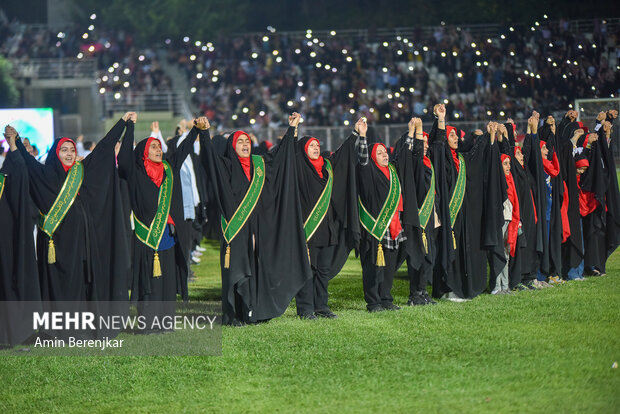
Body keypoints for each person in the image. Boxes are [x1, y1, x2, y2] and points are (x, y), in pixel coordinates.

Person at [200, 113, 312, 326]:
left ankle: (253, 311)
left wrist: (291, 130)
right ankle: (233, 314)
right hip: (236, 228)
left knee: (256, 268)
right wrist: (204, 133)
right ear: (232, 146)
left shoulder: (260, 165)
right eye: (240, 141)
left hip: (259, 227)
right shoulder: (225, 166)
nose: (245, 145)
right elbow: (210, 161)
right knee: (235, 270)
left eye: (247, 141)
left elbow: (279, 157)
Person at [15, 115, 131, 302]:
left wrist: (122, 123)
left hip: (82, 243)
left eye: (72, 150)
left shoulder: (81, 171)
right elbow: (27, 163)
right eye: (64, 150)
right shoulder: (44, 174)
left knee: (82, 284)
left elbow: (102, 150)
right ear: (55, 153)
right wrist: (17, 142)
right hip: (57, 246)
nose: (69, 154)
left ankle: (82, 325)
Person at [117, 113, 200, 333]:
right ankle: (149, 323)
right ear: (144, 152)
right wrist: (130, 127)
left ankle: (166, 322)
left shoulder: (168, 169)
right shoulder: (135, 173)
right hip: (146, 236)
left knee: (166, 281)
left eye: (158, 147)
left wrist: (196, 131)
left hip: (168, 236)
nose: (158, 150)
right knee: (149, 283)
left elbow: (182, 151)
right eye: (153, 147)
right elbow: (124, 156)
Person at [429, 105, 503, 301]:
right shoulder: (440, 157)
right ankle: (448, 289)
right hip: (447, 215)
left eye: (456, 136)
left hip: (463, 216)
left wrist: (490, 136)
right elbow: (436, 143)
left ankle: (462, 287)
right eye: (451, 135)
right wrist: (442, 119)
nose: (456, 139)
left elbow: (478, 158)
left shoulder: (462, 160)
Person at [294, 127, 359, 319]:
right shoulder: (300, 167)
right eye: (311, 145)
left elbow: (342, 155)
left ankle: (321, 306)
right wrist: (294, 130)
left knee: (323, 271)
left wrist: (354, 134)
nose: (315, 148)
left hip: (328, 229)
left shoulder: (327, 167)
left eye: (317, 145)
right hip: (308, 229)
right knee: (307, 272)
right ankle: (305, 309)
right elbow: (291, 153)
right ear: (303, 150)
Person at [357, 118, 418, 312]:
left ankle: (386, 299)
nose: (384, 155)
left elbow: (402, 157)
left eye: (385, 152)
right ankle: (373, 302)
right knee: (373, 268)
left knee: (390, 268)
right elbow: (363, 159)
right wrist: (363, 136)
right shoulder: (369, 171)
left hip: (394, 227)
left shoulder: (392, 170)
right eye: (380, 153)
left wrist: (410, 133)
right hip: (375, 227)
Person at [0, 126, 41, 346]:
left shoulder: (31, 173)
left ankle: (22, 330)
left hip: (24, 234)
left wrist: (14, 146)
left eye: (27, 148)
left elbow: (19, 170)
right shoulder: (8, 170)